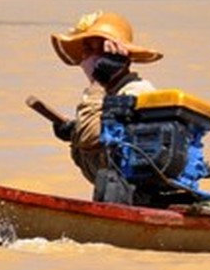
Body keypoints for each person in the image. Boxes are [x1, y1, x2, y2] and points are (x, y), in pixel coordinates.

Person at [49, 10, 162, 185]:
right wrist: (73, 133)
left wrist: (100, 80)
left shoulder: (136, 91)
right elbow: (98, 145)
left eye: (101, 50)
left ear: (121, 58)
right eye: (87, 50)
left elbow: (90, 138)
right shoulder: (105, 93)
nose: (90, 57)